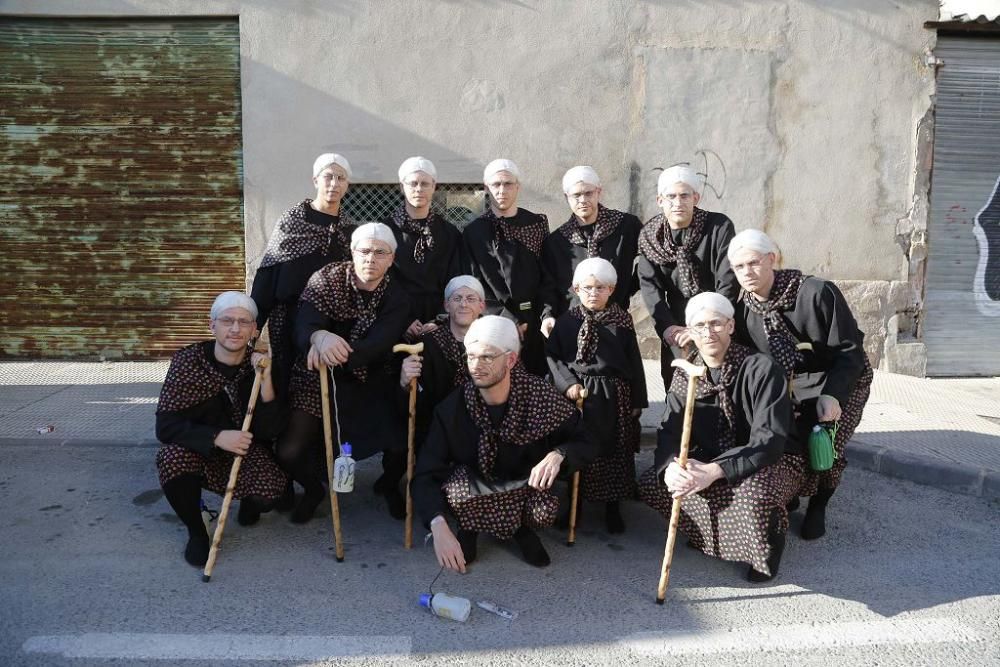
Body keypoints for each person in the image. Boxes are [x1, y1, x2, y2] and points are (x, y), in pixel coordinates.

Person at [638, 292, 806, 582]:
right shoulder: (686, 374)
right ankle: (707, 536)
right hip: (711, 455)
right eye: (700, 326)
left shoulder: (761, 369)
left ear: (730, 326)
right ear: (690, 332)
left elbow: (769, 440)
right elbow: (670, 431)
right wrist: (670, 468)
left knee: (754, 495)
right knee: (654, 483)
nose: (708, 332)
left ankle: (767, 543)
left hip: (770, 458)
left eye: (716, 323)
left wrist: (715, 471)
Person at [412, 316, 596, 572]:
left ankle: (521, 529)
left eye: (487, 357)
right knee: (455, 491)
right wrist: (437, 524)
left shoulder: (540, 397)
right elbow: (426, 473)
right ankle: (469, 527)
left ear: (510, 360)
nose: (475, 366)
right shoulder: (452, 408)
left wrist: (559, 454)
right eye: (471, 356)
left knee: (543, 510)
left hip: (523, 483)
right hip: (474, 482)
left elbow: (586, 440)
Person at [728, 229, 873, 540]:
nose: (747, 273)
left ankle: (819, 504)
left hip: (839, 376)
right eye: (739, 267)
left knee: (825, 443)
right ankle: (791, 492)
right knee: (788, 441)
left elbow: (850, 350)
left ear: (772, 259)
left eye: (753, 263)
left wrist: (833, 395)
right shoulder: (743, 311)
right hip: (789, 383)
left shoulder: (816, 292)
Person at [280, 223, 410, 523]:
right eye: (364, 250)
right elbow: (306, 322)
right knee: (290, 450)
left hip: (369, 376)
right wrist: (317, 337)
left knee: (401, 442)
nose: (371, 258)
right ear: (352, 252)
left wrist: (329, 348)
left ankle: (388, 485)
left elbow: (378, 344)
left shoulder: (398, 296)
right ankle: (314, 490)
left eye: (380, 252)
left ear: (391, 258)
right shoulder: (325, 280)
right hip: (317, 374)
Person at [155, 291, 288, 566]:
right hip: (198, 447)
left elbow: (272, 429)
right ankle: (197, 529)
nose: (236, 329)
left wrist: (265, 382)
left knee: (270, 494)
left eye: (244, 322)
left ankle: (249, 502)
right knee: (172, 460)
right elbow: (166, 427)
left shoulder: (260, 365)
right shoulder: (187, 361)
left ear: (254, 329)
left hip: (243, 449)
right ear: (211, 325)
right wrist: (216, 437)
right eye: (227, 321)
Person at [545, 258, 647, 534]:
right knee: (579, 449)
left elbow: (634, 361)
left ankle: (613, 507)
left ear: (611, 289)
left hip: (614, 395)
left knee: (615, 451)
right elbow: (553, 357)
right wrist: (567, 384)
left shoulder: (622, 320)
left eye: (600, 287)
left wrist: (638, 400)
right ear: (576, 288)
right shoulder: (568, 321)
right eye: (587, 287)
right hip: (581, 396)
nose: (594, 293)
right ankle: (575, 505)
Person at [251, 153, 356, 397]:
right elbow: (269, 272)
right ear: (315, 180)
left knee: (327, 388)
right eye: (328, 176)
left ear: (347, 185)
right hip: (287, 319)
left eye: (340, 178)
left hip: (329, 324)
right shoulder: (292, 221)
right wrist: (254, 322)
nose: (334, 183)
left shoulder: (349, 230)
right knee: (285, 382)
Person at [637, 164, 738, 388]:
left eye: (684, 196)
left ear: (696, 197)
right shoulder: (649, 237)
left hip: (717, 320)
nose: (678, 202)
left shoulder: (718, 227)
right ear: (659, 200)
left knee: (723, 382)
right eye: (671, 196)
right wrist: (667, 327)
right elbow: (650, 288)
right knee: (677, 385)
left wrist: (707, 324)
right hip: (676, 324)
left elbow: (728, 280)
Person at [462, 159, 549, 375]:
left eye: (508, 184)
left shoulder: (536, 225)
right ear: (486, 187)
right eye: (496, 184)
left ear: (517, 186)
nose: (502, 190)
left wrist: (543, 315)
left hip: (535, 323)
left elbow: (546, 275)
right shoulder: (474, 232)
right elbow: (474, 282)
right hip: (493, 322)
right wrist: (508, 320)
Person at [540, 166, 642, 337]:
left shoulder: (626, 226)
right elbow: (548, 285)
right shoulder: (557, 241)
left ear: (598, 192)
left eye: (588, 193)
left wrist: (625, 290)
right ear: (567, 197)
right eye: (576, 195)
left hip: (616, 323)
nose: (583, 200)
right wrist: (547, 315)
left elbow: (649, 261)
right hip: (573, 325)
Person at [398, 275, 486, 451]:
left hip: (483, 432)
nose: (463, 304)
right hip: (437, 433)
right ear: (446, 305)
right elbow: (417, 401)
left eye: (470, 299)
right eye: (457, 298)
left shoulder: (494, 343)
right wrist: (404, 383)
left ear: (481, 306)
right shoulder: (427, 344)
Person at [384, 156, 464, 341]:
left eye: (424, 183)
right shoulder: (385, 232)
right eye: (413, 183)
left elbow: (456, 279)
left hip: (440, 322)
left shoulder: (449, 233)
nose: (419, 189)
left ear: (434, 186)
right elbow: (383, 281)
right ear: (402, 186)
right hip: (395, 320)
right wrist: (403, 319)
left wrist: (439, 319)